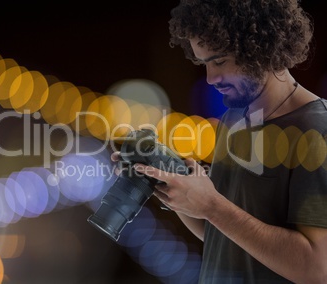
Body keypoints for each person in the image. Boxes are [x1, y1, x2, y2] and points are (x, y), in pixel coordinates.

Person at [113, 0, 327, 283]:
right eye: (204, 63)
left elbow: (317, 268)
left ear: (261, 48)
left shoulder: (316, 129)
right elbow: (224, 235)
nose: (210, 78)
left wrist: (212, 206)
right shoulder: (233, 120)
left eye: (220, 61)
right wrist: (169, 184)